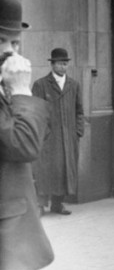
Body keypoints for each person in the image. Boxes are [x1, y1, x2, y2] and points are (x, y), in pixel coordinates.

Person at [0, 0, 53, 270]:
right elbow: (24, 146)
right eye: (2, 41)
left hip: (10, 229)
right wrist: (20, 90)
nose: (11, 52)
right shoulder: (12, 89)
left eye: (15, 42)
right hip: (6, 233)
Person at [32, 48, 84, 216]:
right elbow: (36, 112)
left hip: (68, 137)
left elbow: (79, 111)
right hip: (49, 138)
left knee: (64, 170)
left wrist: (77, 132)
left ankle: (57, 203)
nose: (63, 67)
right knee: (45, 170)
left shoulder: (73, 85)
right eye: (60, 63)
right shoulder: (41, 85)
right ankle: (40, 205)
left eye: (65, 63)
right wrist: (43, 134)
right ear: (52, 64)